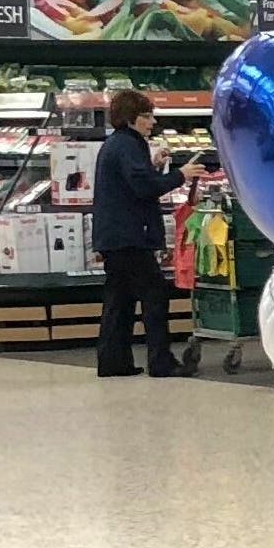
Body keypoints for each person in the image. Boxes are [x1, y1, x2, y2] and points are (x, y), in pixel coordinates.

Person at [94, 89, 186, 378]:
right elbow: (142, 188)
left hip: (114, 236)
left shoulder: (117, 144)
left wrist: (153, 166)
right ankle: (161, 362)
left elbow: (131, 181)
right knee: (154, 294)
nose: (152, 122)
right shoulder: (128, 145)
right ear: (132, 118)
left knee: (118, 301)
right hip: (130, 236)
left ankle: (113, 362)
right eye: (147, 116)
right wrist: (181, 175)